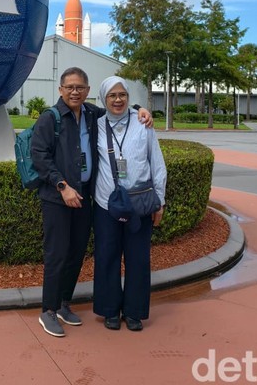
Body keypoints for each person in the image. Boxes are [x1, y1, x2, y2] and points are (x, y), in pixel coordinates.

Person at [30, 67, 152, 337]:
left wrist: (140, 108)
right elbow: (40, 156)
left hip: (85, 197)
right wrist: (63, 187)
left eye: (80, 88)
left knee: (75, 253)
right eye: (70, 87)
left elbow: (116, 104)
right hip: (58, 197)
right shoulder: (50, 119)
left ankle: (63, 303)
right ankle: (48, 310)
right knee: (57, 254)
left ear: (88, 92)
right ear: (61, 89)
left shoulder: (91, 115)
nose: (75, 92)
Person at [92, 75, 166, 332]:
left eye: (122, 94)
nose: (118, 99)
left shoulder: (143, 123)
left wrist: (160, 201)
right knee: (107, 256)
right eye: (111, 95)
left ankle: (134, 311)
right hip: (106, 204)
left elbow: (156, 162)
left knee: (138, 259)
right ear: (103, 98)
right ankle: (110, 310)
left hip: (139, 204)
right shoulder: (96, 124)